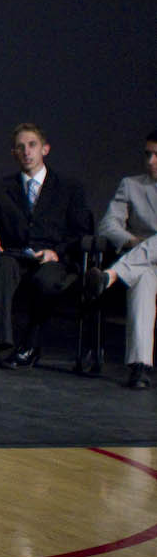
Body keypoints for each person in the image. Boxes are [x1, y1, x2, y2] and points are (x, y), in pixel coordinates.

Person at [0, 123, 93, 376]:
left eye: (32, 145)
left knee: (47, 280)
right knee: (1, 268)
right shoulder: (2, 188)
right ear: (14, 153)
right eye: (20, 147)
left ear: (45, 149)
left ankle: (31, 338)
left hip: (52, 257)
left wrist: (57, 252)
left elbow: (81, 231)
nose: (26, 152)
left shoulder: (69, 188)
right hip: (16, 254)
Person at [87, 129, 157, 389]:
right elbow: (108, 225)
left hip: (130, 265)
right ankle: (140, 366)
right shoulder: (132, 185)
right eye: (148, 154)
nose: (150, 161)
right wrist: (131, 241)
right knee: (144, 280)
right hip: (143, 267)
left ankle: (111, 275)